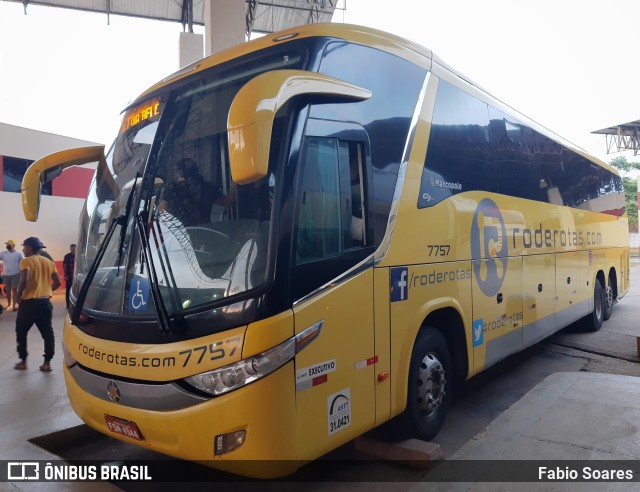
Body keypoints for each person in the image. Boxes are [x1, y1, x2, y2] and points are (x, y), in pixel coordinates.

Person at [13, 237, 61, 372]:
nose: (23, 250)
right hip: (45, 303)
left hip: (29, 303)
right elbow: (57, 282)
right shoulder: (49, 262)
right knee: (47, 332)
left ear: (29, 248)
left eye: (24, 247)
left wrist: (18, 295)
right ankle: (47, 363)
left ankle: (23, 361)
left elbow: (24, 279)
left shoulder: (26, 261)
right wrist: (45, 291)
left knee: (21, 331)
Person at [0, 239, 24, 311]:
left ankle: (13, 305)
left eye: (9, 245)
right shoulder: (3, 253)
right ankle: (8, 304)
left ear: (13, 245)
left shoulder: (19, 254)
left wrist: (22, 273)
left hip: (16, 274)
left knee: (14, 289)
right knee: (7, 290)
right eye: (7, 245)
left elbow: (22, 263)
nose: (7, 246)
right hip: (6, 274)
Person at [63, 243, 76, 309]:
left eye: (73, 248)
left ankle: (75, 304)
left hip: (76, 277)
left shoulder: (78, 256)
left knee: (76, 290)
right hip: (69, 276)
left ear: (76, 248)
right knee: (68, 290)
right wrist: (65, 275)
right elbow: (64, 265)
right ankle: (68, 304)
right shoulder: (67, 256)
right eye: (71, 248)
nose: (72, 249)